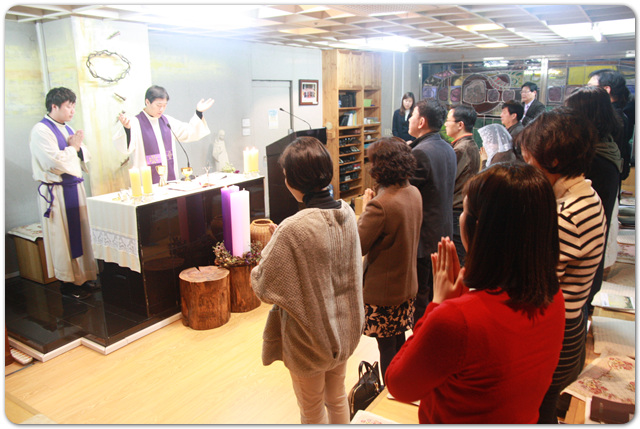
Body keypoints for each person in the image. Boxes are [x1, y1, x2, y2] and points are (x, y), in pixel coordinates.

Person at [385, 163, 566, 424]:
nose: (460, 217)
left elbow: (399, 385)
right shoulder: (553, 295)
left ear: (480, 229)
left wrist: (438, 304)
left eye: (464, 210)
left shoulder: (456, 320)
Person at [251, 136, 364, 424]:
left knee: (311, 410)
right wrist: (283, 241)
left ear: (293, 180)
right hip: (345, 329)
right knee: (337, 398)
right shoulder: (347, 212)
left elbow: (261, 283)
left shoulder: (293, 228)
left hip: (309, 341)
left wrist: (276, 243)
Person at [518, 108, 607, 423]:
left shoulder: (566, 215)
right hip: (570, 323)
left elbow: (536, 287)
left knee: (537, 410)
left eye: (530, 161)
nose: (528, 168)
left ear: (553, 161)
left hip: (554, 333)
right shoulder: (587, 194)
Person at [357, 137, 422, 379]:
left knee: (386, 347)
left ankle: (391, 389)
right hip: (406, 285)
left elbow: (358, 244)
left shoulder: (380, 205)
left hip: (383, 292)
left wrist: (365, 207)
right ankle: (402, 384)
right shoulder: (413, 192)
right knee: (398, 339)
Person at [29, 87, 98, 300]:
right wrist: (73, 148)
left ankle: (83, 277)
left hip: (73, 188)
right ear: (54, 106)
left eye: (73, 106)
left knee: (81, 234)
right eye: (69, 106)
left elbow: (83, 153)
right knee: (62, 239)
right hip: (57, 193)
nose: (72, 111)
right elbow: (53, 162)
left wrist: (78, 148)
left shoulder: (67, 128)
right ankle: (67, 283)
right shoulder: (41, 131)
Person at [564, 86, 622, 315]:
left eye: (571, 113)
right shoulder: (606, 146)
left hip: (581, 256)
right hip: (589, 252)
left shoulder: (595, 159)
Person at [407, 98, 456, 323]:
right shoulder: (447, 147)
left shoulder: (420, 153)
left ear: (422, 122)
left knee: (421, 296)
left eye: (413, 115)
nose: (409, 119)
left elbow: (406, 193)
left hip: (425, 234)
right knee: (436, 293)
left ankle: (422, 335)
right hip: (443, 229)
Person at [113, 85, 214, 184]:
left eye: (164, 105)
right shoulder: (134, 123)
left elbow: (189, 132)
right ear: (147, 102)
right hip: (147, 184)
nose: (161, 109)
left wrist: (198, 113)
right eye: (158, 105)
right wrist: (127, 129)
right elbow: (125, 148)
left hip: (170, 182)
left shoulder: (167, 121)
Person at [444, 104, 480, 266]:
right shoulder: (470, 144)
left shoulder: (461, 149)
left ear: (460, 125)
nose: (445, 124)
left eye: (448, 120)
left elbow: (448, 180)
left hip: (456, 209)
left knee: (458, 260)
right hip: (461, 208)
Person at [587, 69, 633, 181]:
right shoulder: (620, 113)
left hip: (601, 177)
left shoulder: (608, 117)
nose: (587, 91)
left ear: (606, 90)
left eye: (590, 86)